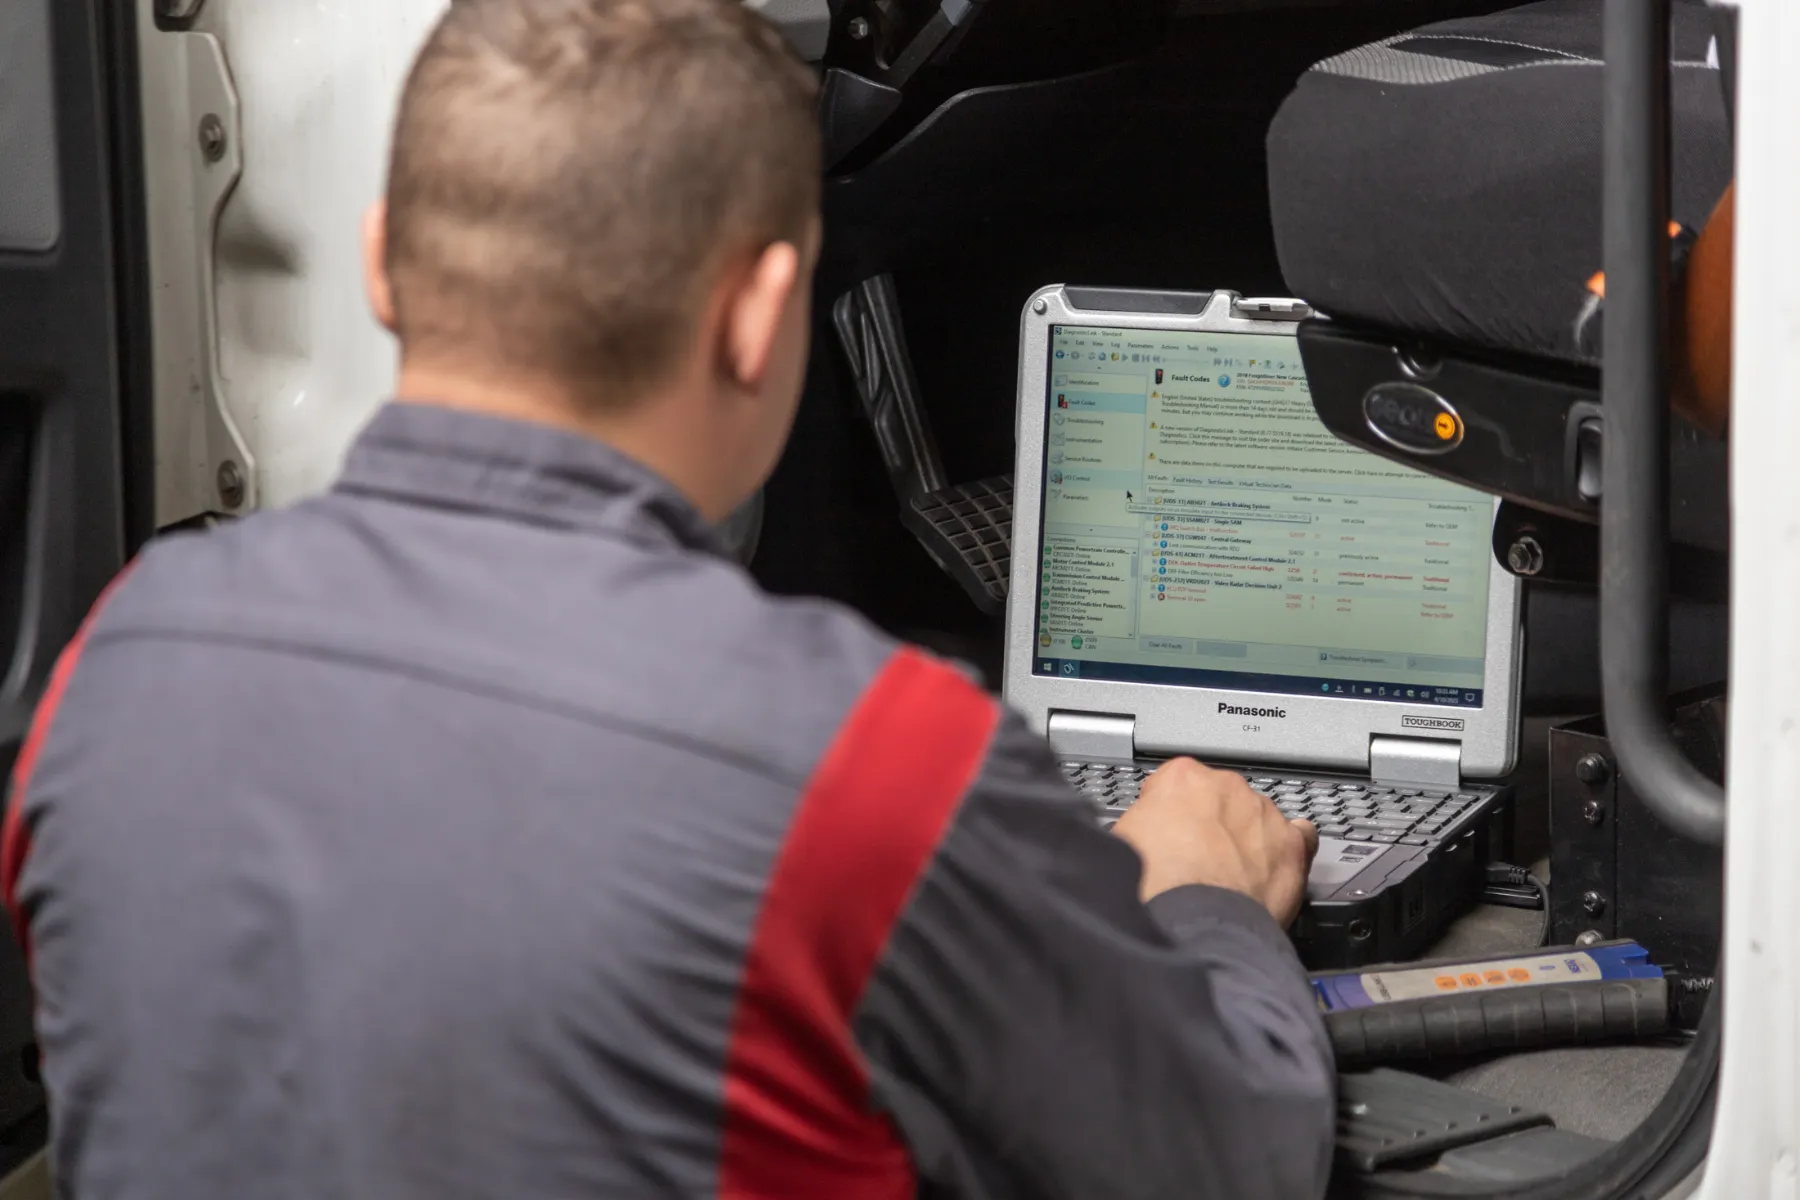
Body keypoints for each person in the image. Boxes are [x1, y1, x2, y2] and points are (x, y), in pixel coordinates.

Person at [0, 1, 1333, 1196]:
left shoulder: (111, 666)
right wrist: (1205, 903)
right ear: (758, 314)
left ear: (380, 264)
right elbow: (1231, 1157)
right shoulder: (866, 758)